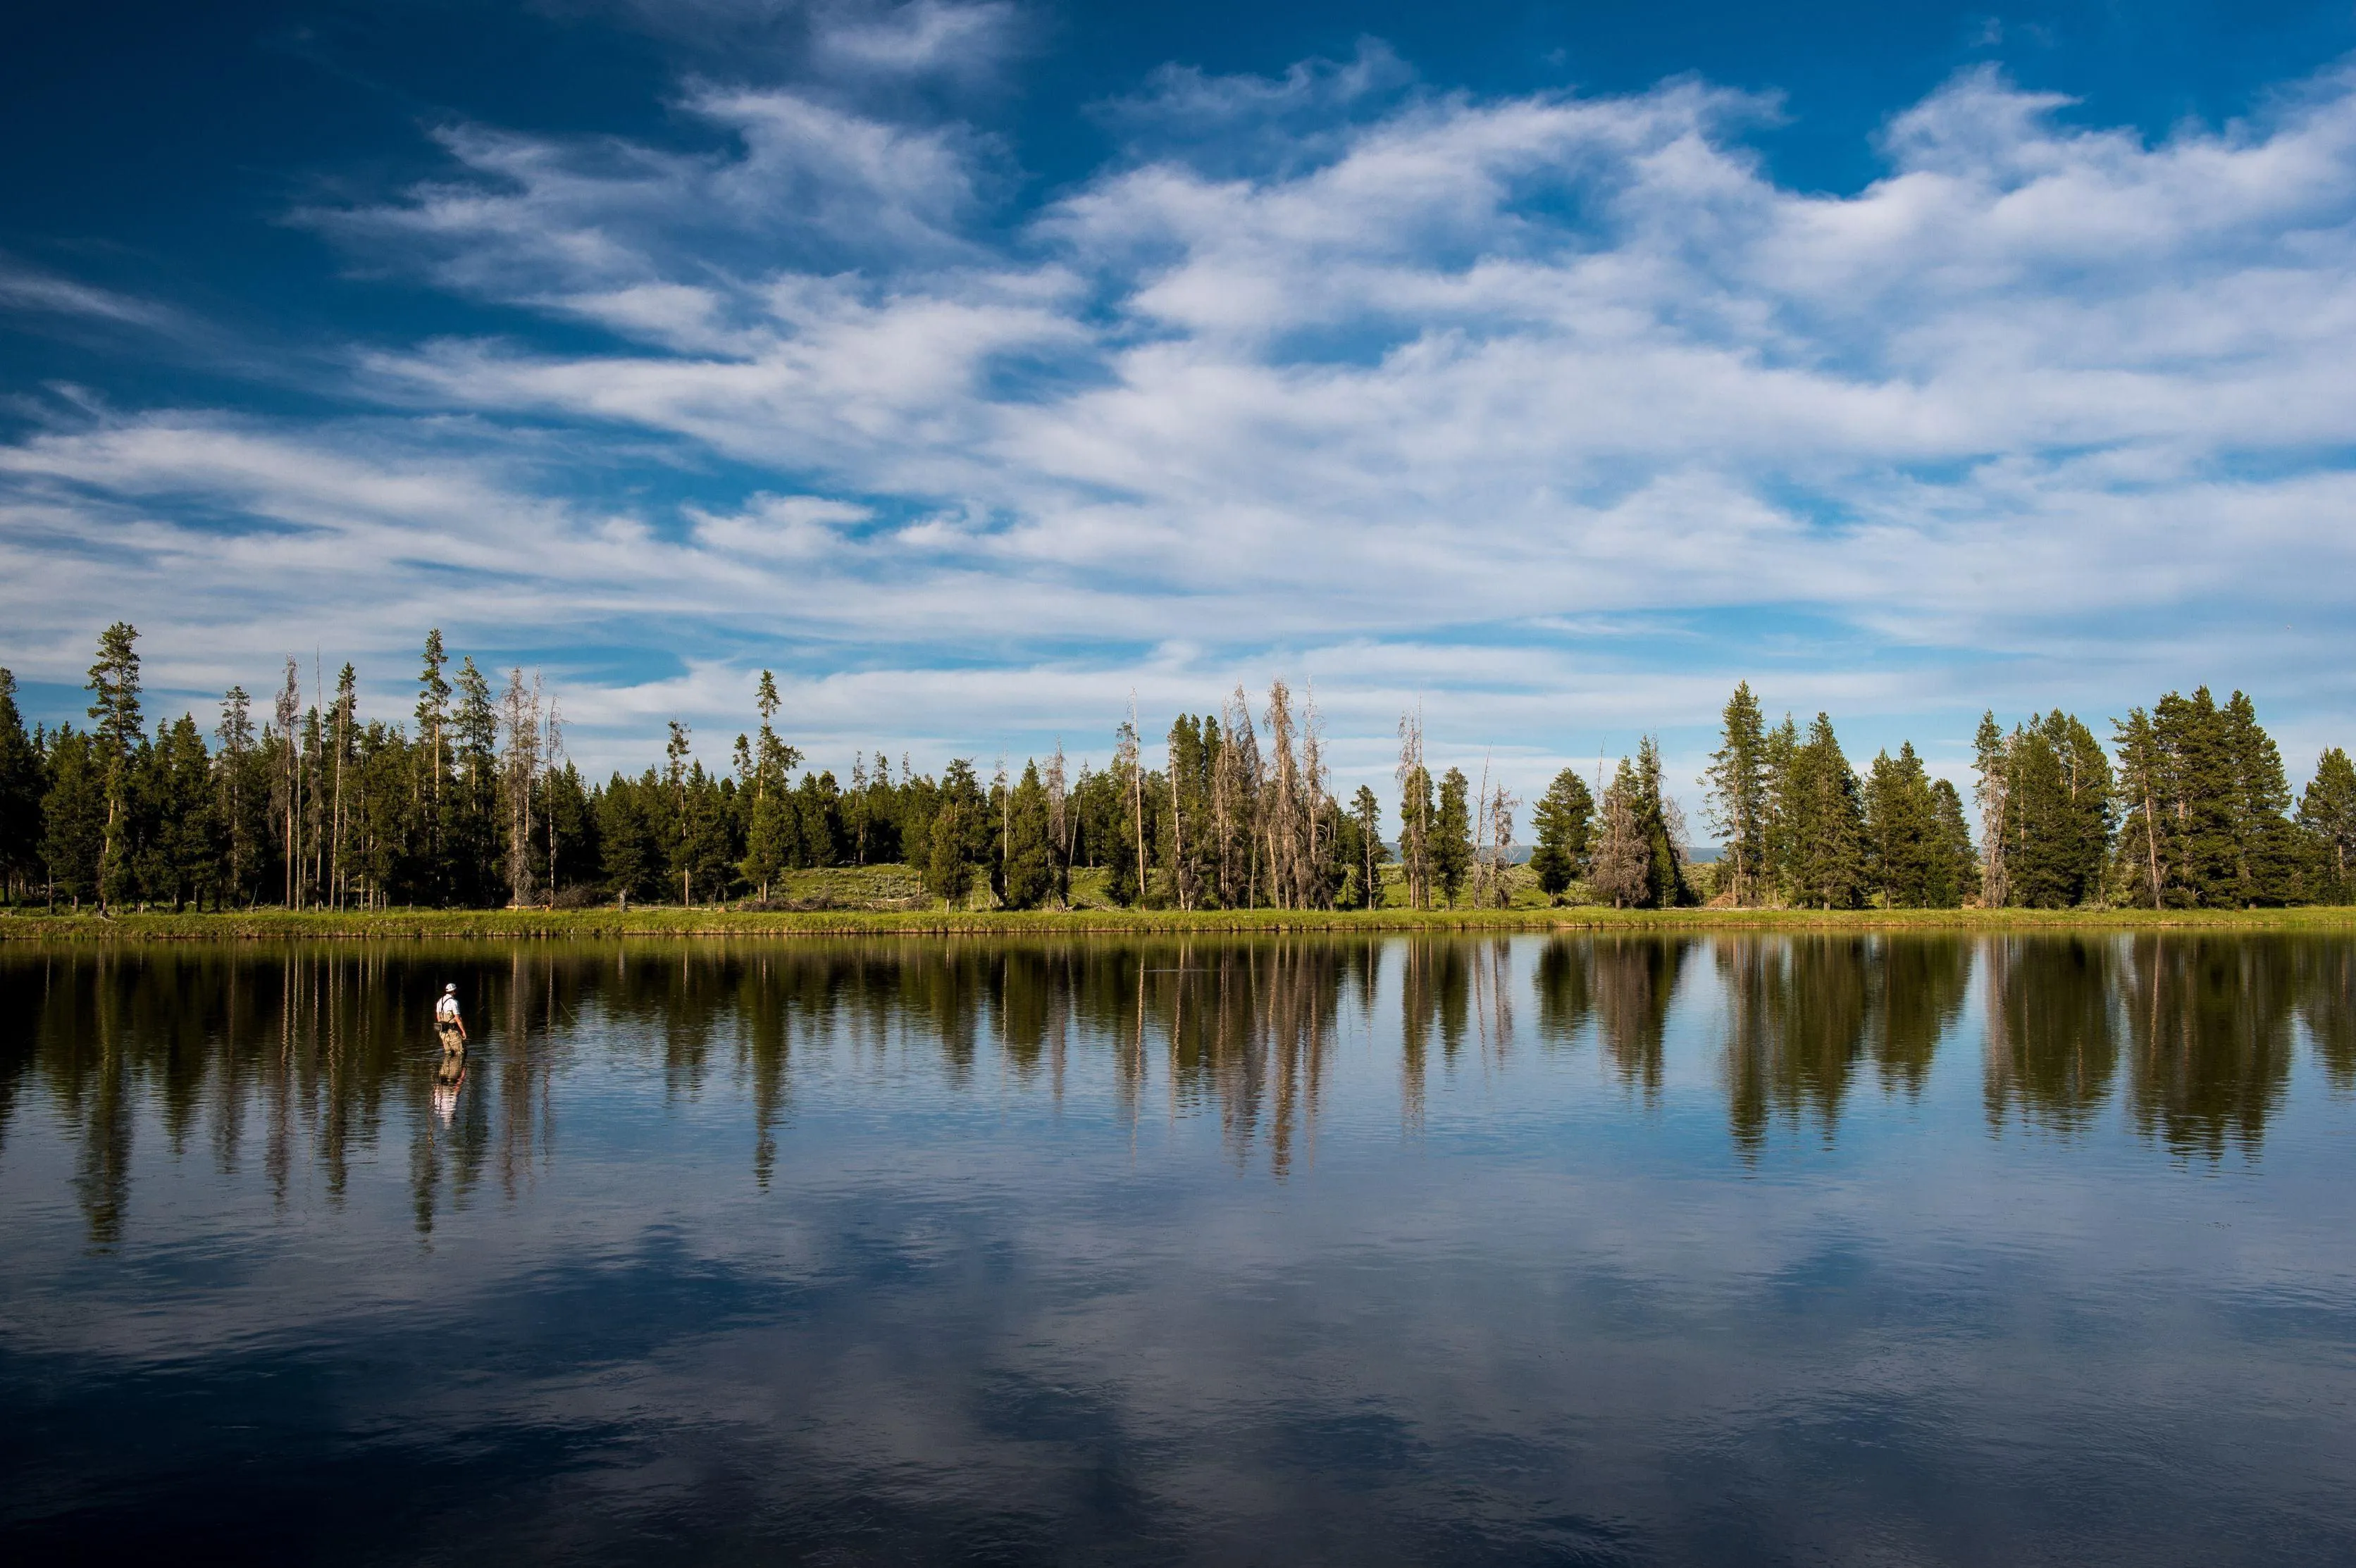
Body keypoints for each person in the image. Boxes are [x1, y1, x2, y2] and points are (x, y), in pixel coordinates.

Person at [435, 982, 466, 1046]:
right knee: (461, 1053)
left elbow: (438, 1018)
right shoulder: (454, 1002)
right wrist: (463, 1032)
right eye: (456, 990)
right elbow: (458, 1019)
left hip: (443, 1033)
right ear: (454, 991)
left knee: (448, 1053)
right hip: (453, 1033)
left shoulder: (439, 1001)